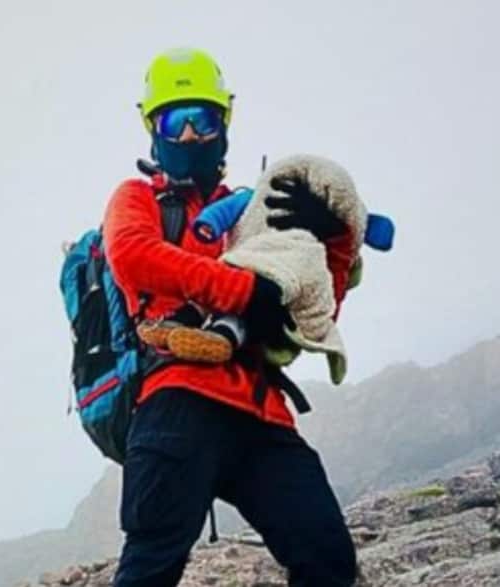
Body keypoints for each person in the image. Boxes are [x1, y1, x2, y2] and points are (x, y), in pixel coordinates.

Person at [102, 48, 358, 586]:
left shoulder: (252, 215)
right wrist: (246, 291)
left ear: (226, 121)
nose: (190, 135)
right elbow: (132, 253)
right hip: (176, 399)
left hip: (261, 410)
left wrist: (333, 241)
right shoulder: (137, 198)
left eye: (204, 119)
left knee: (328, 557)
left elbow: (312, 309)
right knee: (150, 567)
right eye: (175, 121)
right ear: (151, 128)